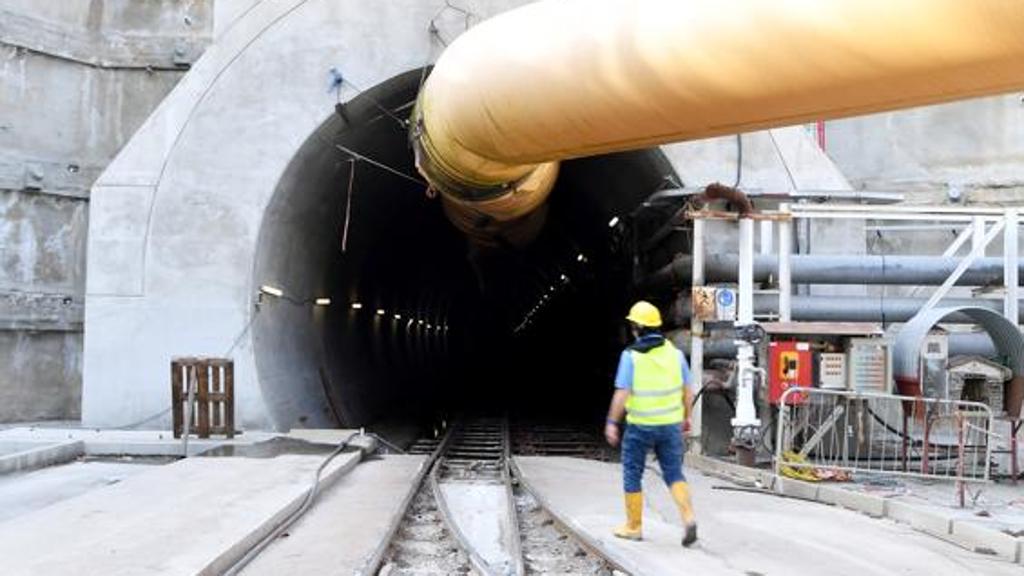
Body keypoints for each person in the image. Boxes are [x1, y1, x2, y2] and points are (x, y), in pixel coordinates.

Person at [604, 300, 698, 547]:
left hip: (640, 427)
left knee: (632, 473)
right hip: (670, 426)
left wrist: (612, 422)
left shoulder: (631, 356)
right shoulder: (676, 355)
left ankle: (634, 527)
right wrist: (687, 417)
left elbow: (622, 393)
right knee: (674, 473)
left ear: (637, 328)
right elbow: (688, 391)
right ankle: (688, 517)